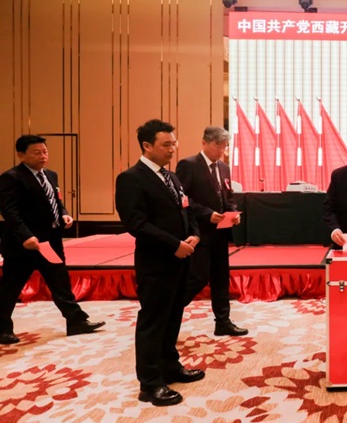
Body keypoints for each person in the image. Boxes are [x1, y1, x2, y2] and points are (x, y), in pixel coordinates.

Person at [115, 119, 202, 406]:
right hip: (156, 263)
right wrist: (173, 245)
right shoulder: (131, 178)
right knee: (153, 322)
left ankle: (170, 366)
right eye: (166, 144)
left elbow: (187, 210)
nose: (172, 149)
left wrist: (194, 235)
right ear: (147, 146)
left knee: (173, 315)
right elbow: (136, 223)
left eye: (174, 143)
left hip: (181, 260)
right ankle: (150, 383)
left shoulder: (171, 177)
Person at [0, 135, 105, 345]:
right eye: (37, 153)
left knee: (60, 282)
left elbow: (55, 201)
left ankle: (76, 321)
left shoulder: (50, 175)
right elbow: (10, 211)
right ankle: (1, 329)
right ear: (21, 155)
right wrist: (26, 235)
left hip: (51, 241)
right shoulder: (12, 177)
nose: (43, 156)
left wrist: (64, 214)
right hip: (24, 244)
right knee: (11, 287)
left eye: (45, 152)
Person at [175, 127, 248, 337]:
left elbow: (228, 197)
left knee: (221, 278)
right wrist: (206, 214)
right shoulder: (189, 165)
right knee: (197, 278)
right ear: (204, 143)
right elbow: (182, 198)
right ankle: (169, 310)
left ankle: (223, 322)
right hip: (199, 232)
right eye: (218, 146)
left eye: (225, 146)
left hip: (220, 232)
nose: (221, 151)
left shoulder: (224, 167)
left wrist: (233, 213)